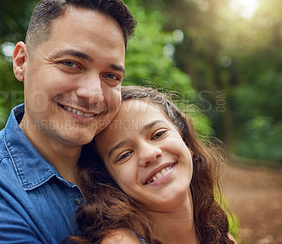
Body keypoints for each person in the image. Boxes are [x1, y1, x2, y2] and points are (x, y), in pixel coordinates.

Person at [0, 0, 136, 243]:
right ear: (21, 62)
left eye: (110, 76)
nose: (94, 95)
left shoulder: (125, 164)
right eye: (71, 64)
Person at [70, 86, 236, 244]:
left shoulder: (217, 233)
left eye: (158, 134)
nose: (149, 154)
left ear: (185, 141)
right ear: (109, 182)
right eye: (125, 155)